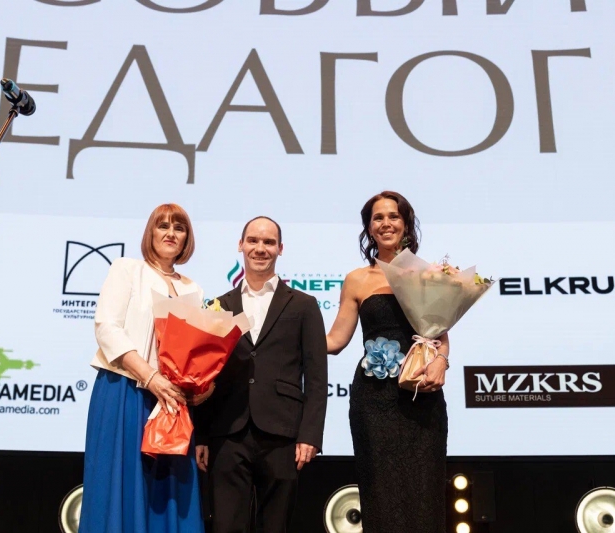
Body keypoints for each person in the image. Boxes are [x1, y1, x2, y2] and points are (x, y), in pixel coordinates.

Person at [79, 203, 213, 533]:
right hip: (124, 393)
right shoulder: (127, 269)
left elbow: (194, 352)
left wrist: (202, 386)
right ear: (150, 232)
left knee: (168, 495)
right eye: (163, 226)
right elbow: (107, 328)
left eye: (179, 228)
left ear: (187, 239)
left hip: (170, 403)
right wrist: (150, 376)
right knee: (119, 486)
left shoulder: (193, 289)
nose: (170, 233)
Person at [193, 216, 328, 533]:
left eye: (268, 242)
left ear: (280, 248)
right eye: (253, 240)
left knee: (275, 526)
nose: (260, 248)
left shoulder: (304, 305)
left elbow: (317, 376)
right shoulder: (217, 305)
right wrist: (202, 436)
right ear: (240, 245)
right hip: (227, 431)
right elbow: (205, 376)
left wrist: (310, 435)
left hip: (282, 433)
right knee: (226, 525)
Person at [326, 191, 450, 533]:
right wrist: (289, 337)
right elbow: (335, 340)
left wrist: (441, 360)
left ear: (406, 224)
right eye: (377, 218)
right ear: (369, 228)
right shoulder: (357, 279)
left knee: (424, 494)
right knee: (381, 493)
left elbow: (440, 331)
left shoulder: (429, 274)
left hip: (421, 392)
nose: (386, 223)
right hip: (374, 400)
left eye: (393, 216)